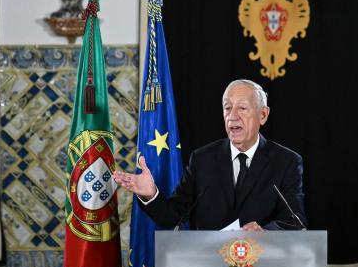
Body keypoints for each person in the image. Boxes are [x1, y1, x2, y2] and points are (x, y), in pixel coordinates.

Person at [113, 79, 307, 232]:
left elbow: (295, 222)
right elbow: (173, 216)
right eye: (227, 107)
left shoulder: (286, 162)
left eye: (242, 108)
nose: (232, 116)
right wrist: (150, 194)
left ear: (263, 115)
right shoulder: (202, 159)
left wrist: (265, 233)